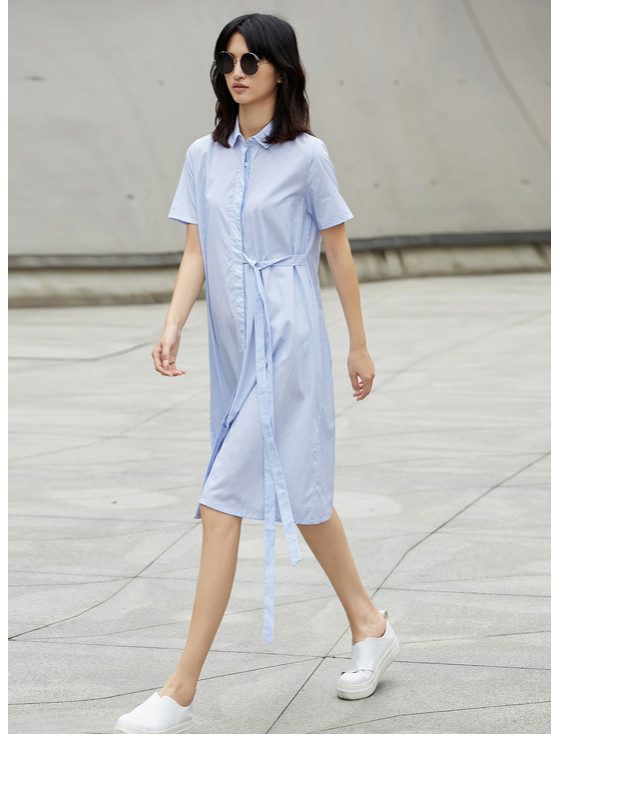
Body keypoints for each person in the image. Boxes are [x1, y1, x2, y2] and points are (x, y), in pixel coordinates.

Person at [116, 12, 399, 734]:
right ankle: (370, 623)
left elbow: (338, 251)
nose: (236, 72)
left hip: (289, 342)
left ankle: (179, 690)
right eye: (227, 60)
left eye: (250, 60)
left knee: (222, 501)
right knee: (304, 496)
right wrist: (173, 323)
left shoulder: (308, 155)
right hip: (232, 351)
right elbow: (196, 251)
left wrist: (358, 345)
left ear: (280, 69)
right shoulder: (201, 155)